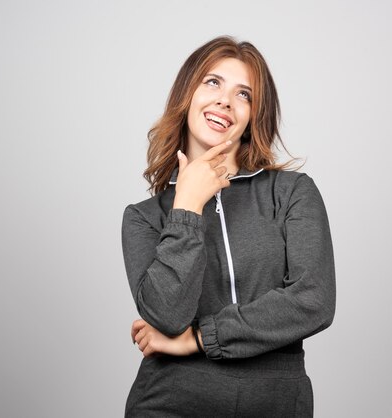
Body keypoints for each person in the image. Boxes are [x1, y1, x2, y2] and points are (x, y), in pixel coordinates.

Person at [121, 35, 336, 417]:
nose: (224, 100)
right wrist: (187, 205)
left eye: (244, 95)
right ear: (188, 94)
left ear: (254, 115)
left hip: (276, 404)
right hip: (168, 403)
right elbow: (167, 315)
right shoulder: (143, 217)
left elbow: (313, 301)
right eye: (213, 82)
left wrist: (199, 339)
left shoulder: (291, 193)